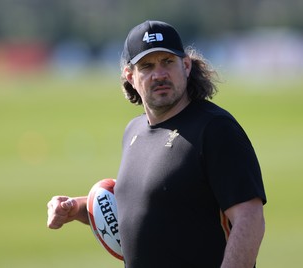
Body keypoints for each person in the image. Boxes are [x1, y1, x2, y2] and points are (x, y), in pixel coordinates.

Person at [47, 20, 266, 268]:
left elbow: (250, 218)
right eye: (147, 66)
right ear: (130, 76)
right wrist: (75, 208)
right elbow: (144, 202)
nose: (159, 74)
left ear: (185, 65)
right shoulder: (134, 131)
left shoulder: (215, 129)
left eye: (167, 62)